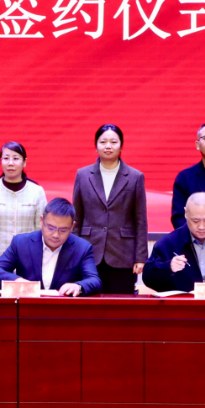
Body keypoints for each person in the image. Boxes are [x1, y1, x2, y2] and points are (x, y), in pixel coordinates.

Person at [72, 124, 148, 294]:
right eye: (103, 142)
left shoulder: (135, 177)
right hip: (89, 252)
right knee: (89, 302)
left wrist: (140, 257)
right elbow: (76, 218)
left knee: (121, 304)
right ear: (96, 146)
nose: (108, 146)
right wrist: (74, 252)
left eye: (113, 142)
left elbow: (141, 220)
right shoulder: (83, 175)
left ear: (121, 146)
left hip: (123, 254)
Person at [0, 198, 101, 296]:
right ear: (41, 221)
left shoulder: (82, 248)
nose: (56, 235)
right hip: (28, 308)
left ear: (72, 227)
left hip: (64, 310)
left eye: (63, 230)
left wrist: (78, 286)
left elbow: (94, 281)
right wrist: (17, 281)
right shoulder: (21, 243)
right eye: (50, 228)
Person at [0, 142, 47, 284]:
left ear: (24, 162)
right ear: (1, 161)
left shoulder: (37, 191)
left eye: (16, 158)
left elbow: (42, 230)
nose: (10, 163)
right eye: (6, 158)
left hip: (28, 261)